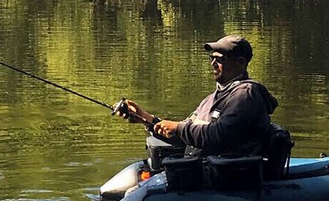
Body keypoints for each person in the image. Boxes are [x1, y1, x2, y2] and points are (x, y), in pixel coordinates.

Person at [115, 35, 279, 157]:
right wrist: (146, 118)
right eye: (212, 58)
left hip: (232, 179)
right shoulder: (211, 99)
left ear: (240, 63)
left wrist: (178, 128)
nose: (213, 63)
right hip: (207, 174)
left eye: (220, 59)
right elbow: (186, 134)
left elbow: (218, 135)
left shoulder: (246, 95)